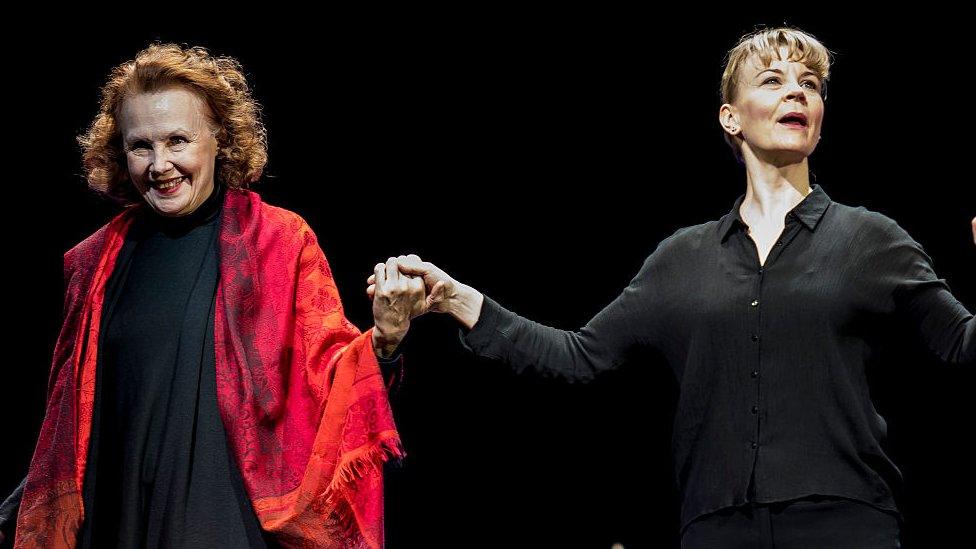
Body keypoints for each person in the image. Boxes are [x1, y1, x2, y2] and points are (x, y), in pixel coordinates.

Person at [378, 27, 976, 548]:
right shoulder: (682, 258)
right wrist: (455, 297)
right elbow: (580, 358)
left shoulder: (870, 238)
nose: (798, 91)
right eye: (773, 79)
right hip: (715, 528)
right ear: (730, 117)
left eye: (812, 85)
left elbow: (964, 343)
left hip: (845, 522)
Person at [0, 43, 425, 549]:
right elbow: (70, 422)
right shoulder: (91, 263)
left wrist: (387, 339)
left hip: (223, 520)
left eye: (178, 141)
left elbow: (328, 376)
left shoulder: (279, 242)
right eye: (141, 146)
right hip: (114, 519)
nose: (160, 165)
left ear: (218, 139)